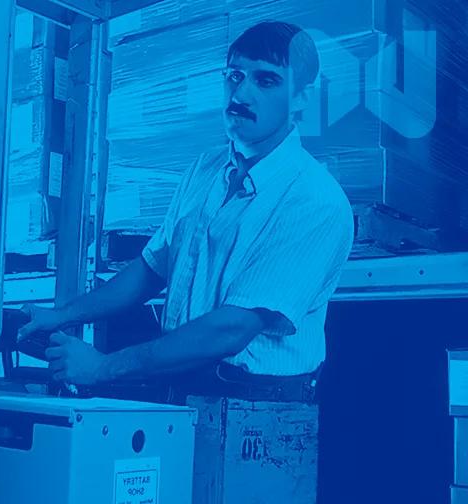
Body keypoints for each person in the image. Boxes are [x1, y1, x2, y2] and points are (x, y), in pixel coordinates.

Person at [20, 21, 354, 500]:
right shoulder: (205, 170)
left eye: (266, 80)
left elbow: (232, 328)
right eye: (234, 76)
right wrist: (61, 314)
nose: (243, 93)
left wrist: (99, 368)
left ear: (301, 97)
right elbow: (150, 269)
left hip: (256, 420)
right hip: (181, 395)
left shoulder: (315, 201)